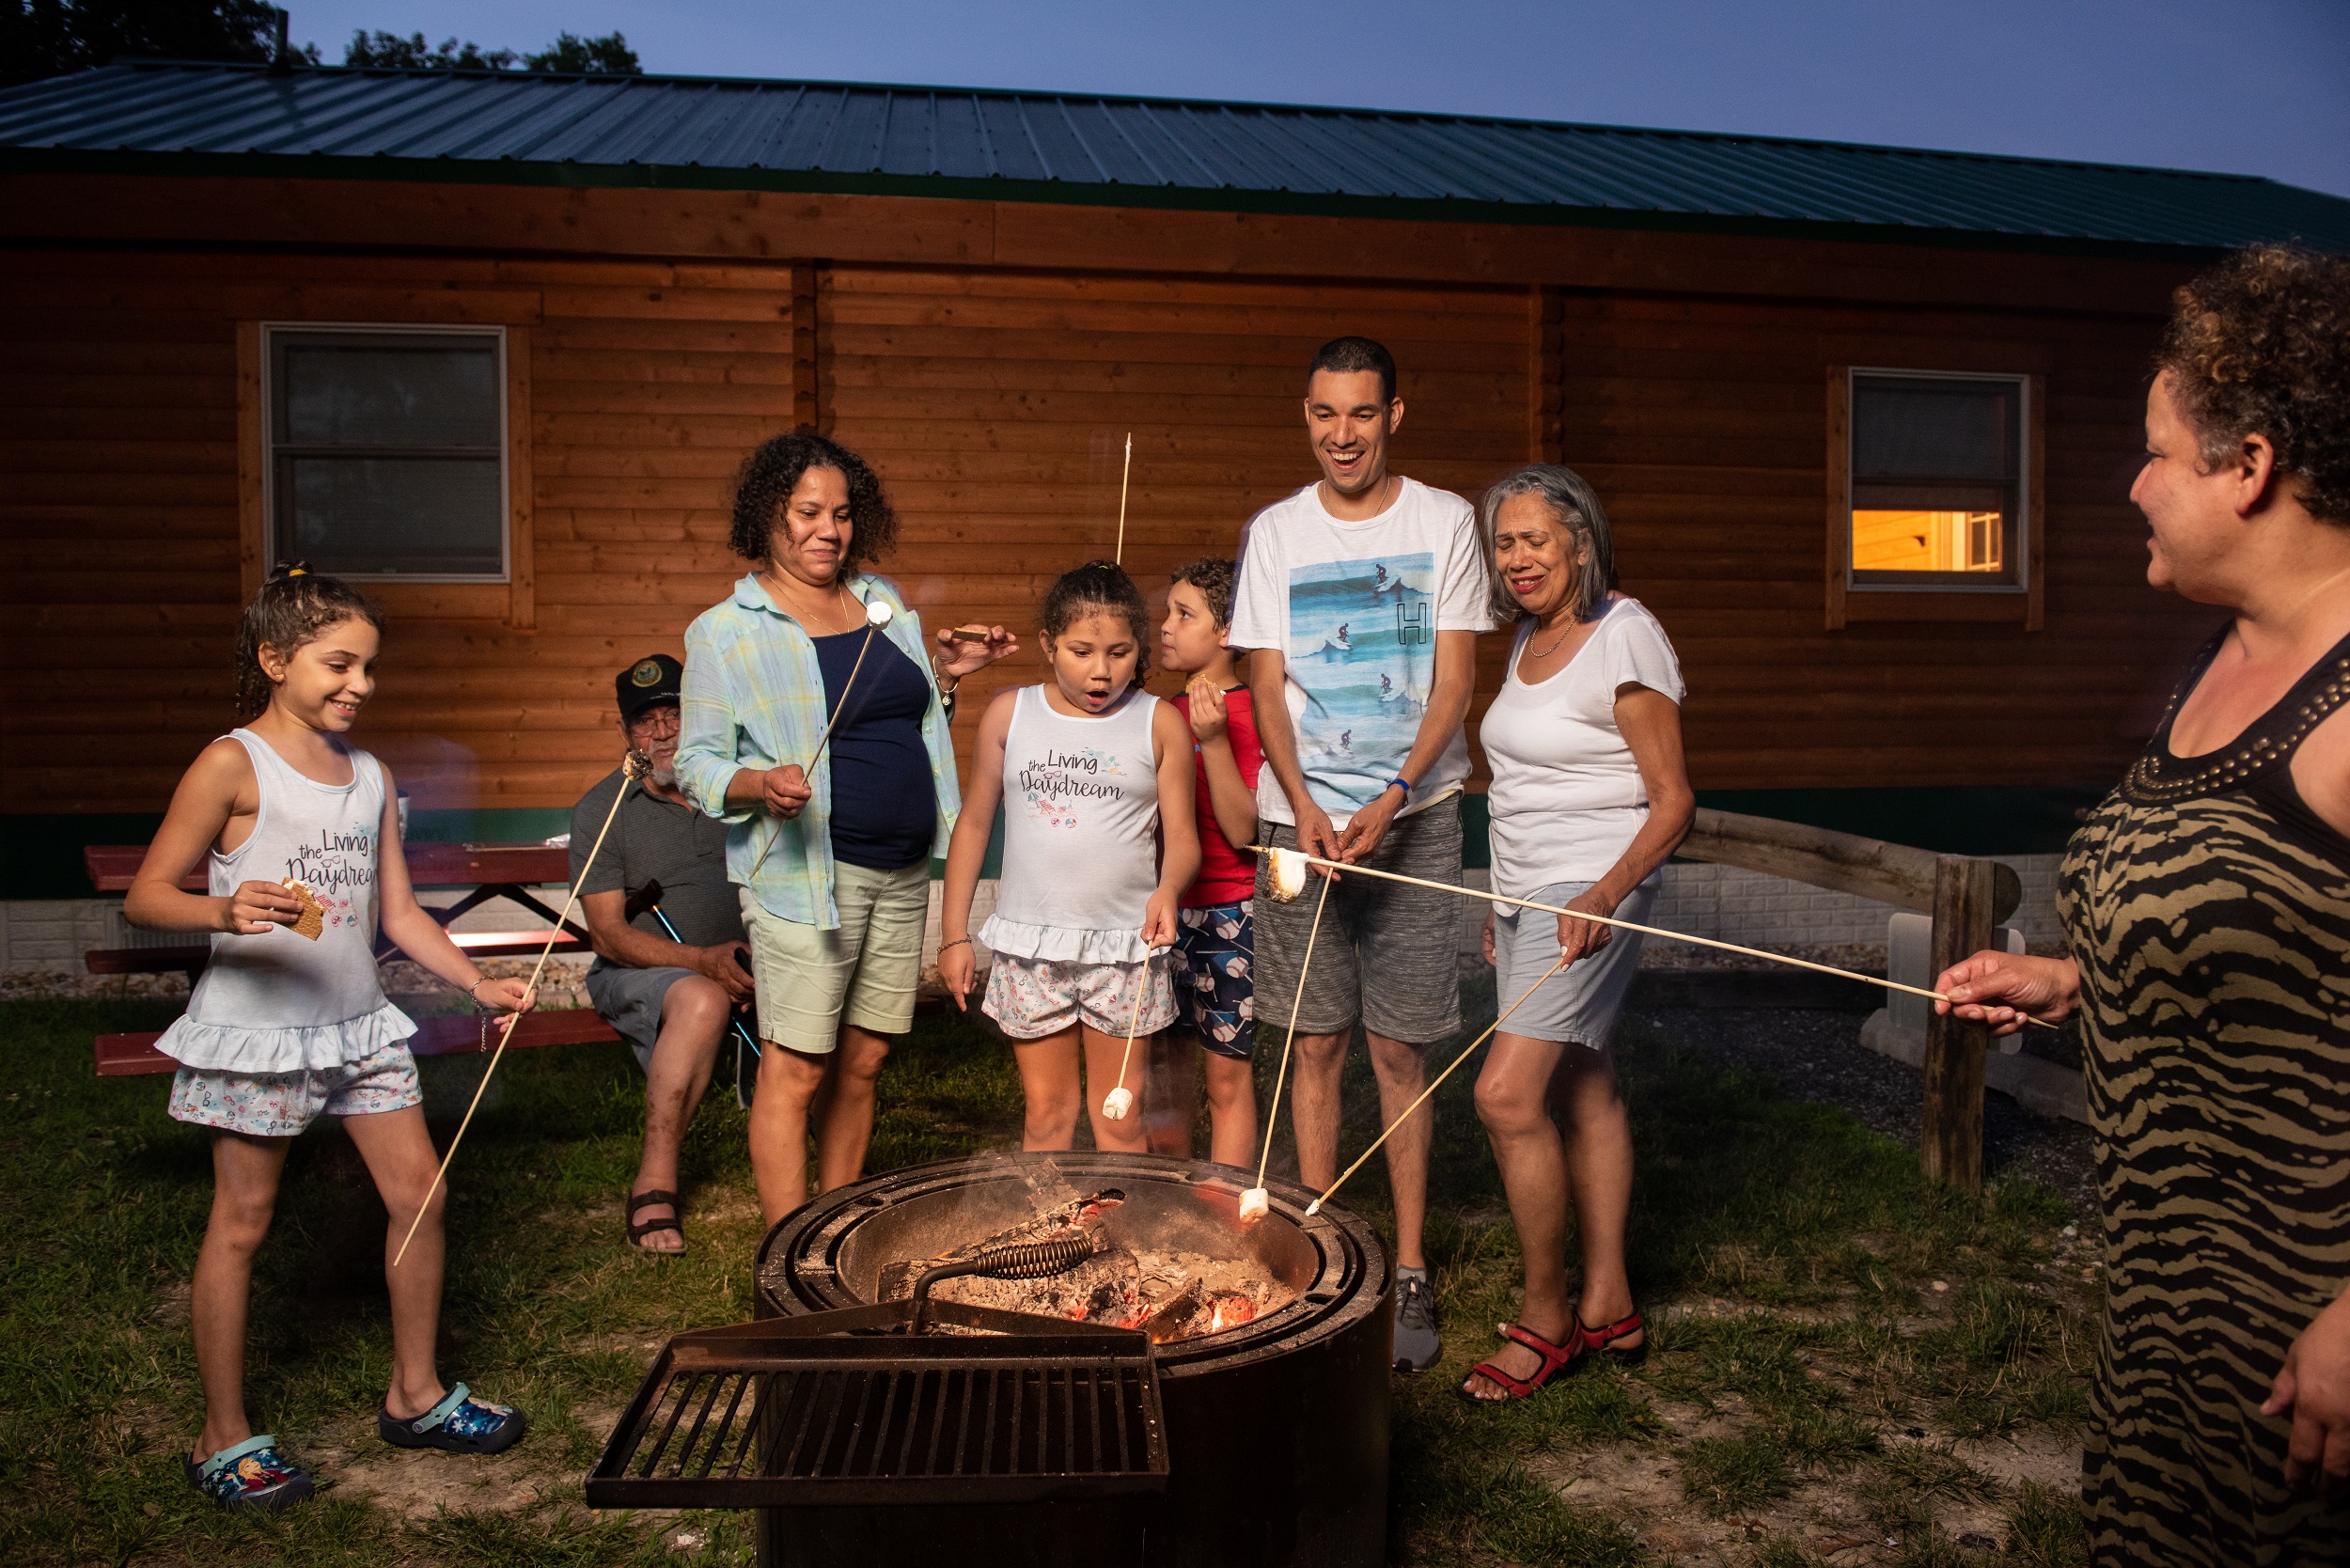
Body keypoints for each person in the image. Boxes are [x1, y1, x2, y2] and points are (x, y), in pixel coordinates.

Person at [1935, 245, 2350, 1563]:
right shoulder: (2216, 667)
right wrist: (2072, 979)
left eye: (2160, 454)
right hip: (2169, 1307)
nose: (2135, 486)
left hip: (2310, 1339)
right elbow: (2258, 924)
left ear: (2252, 466)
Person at [126, 566, 533, 1512]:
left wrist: (476, 979)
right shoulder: (232, 763)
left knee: (420, 1196)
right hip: (261, 1033)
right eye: (338, 663)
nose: (360, 684)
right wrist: (223, 905)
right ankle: (221, 1436)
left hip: (360, 1029)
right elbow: (146, 895)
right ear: (275, 660)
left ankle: (417, 1394)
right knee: (243, 1223)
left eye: (369, 667)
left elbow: (397, 911)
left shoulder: (371, 775)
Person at [1227, 335, 1489, 1372]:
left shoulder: (1444, 522)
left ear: (1394, 417)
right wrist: (1302, 806)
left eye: (1362, 414)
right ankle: (1320, 1243)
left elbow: (1457, 682)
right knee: (1313, 1041)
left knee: (1402, 1048)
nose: (1343, 434)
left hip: (1414, 821)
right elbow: (1263, 683)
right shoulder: (1276, 532)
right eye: (1326, 414)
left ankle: (1411, 1265)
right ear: (1307, 415)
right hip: (1303, 827)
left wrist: (1391, 795)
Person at [673, 431, 1016, 1224]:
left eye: (842, 513)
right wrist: (758, 785)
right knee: (797, 1068)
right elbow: (694, 764)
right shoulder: (726, 630)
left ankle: (834, 1233)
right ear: (769, 516)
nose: (830, 530)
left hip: (901, 871)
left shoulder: (881, 602)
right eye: (808, 513)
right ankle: (786, 1259)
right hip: (804, 881)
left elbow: (897, 717)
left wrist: (946, 677)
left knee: (864, 1061)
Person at [1456, 465, 1692, 1402]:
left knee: (1506, 1097)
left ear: (1580, 544)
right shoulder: (1526, 639)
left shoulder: (1625, 637)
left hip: (1597, 884)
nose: (1518, 559)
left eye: (1535, 540)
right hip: (1530, 894)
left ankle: (1546, 1319)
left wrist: (1600, 894)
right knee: (1584, 1085)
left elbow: (1673, 803)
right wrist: (1500, 899)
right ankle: (1609, 1302)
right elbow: (1520, 787)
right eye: (1504, 543)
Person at [938, 562, 1201, 1153]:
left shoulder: (1158, 723)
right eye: (1082, 651)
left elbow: (1183, 837)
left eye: (1120, 652)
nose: (1101, 671)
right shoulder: (1012, 715)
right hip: (1032, 947)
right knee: (1047, 1120)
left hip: (1124, 949)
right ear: (1048, 645)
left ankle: (1124, 1239)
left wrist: (1169, 890)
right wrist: (954, 934)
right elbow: (975, 822)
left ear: (1140, 649)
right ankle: (1047, 1242)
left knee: (1119, 1120)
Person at [572, 653, 752, 1253]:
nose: (664, 731)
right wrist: (703, 962)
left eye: (676, 713)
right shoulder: (604, 810)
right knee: (701, 999)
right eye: (645, 721)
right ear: (627, 734)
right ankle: (655, 1181)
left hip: (756, 958)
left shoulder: (741, 789)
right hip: (645, 973)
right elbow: (607, 936)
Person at [1148, 558, 1265, 1168]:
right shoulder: (1162, 713)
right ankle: (1165, 1209)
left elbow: (1244, 832)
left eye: (1183, 614)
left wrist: (1214, 738)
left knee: (1225, 1079)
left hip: (1230, 914)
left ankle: (1224, 1226)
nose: (1166, 626)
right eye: (1168, 612)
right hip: (1168, 913)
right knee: (1164, 1077)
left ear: (1227, 630)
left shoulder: (1252, 712)